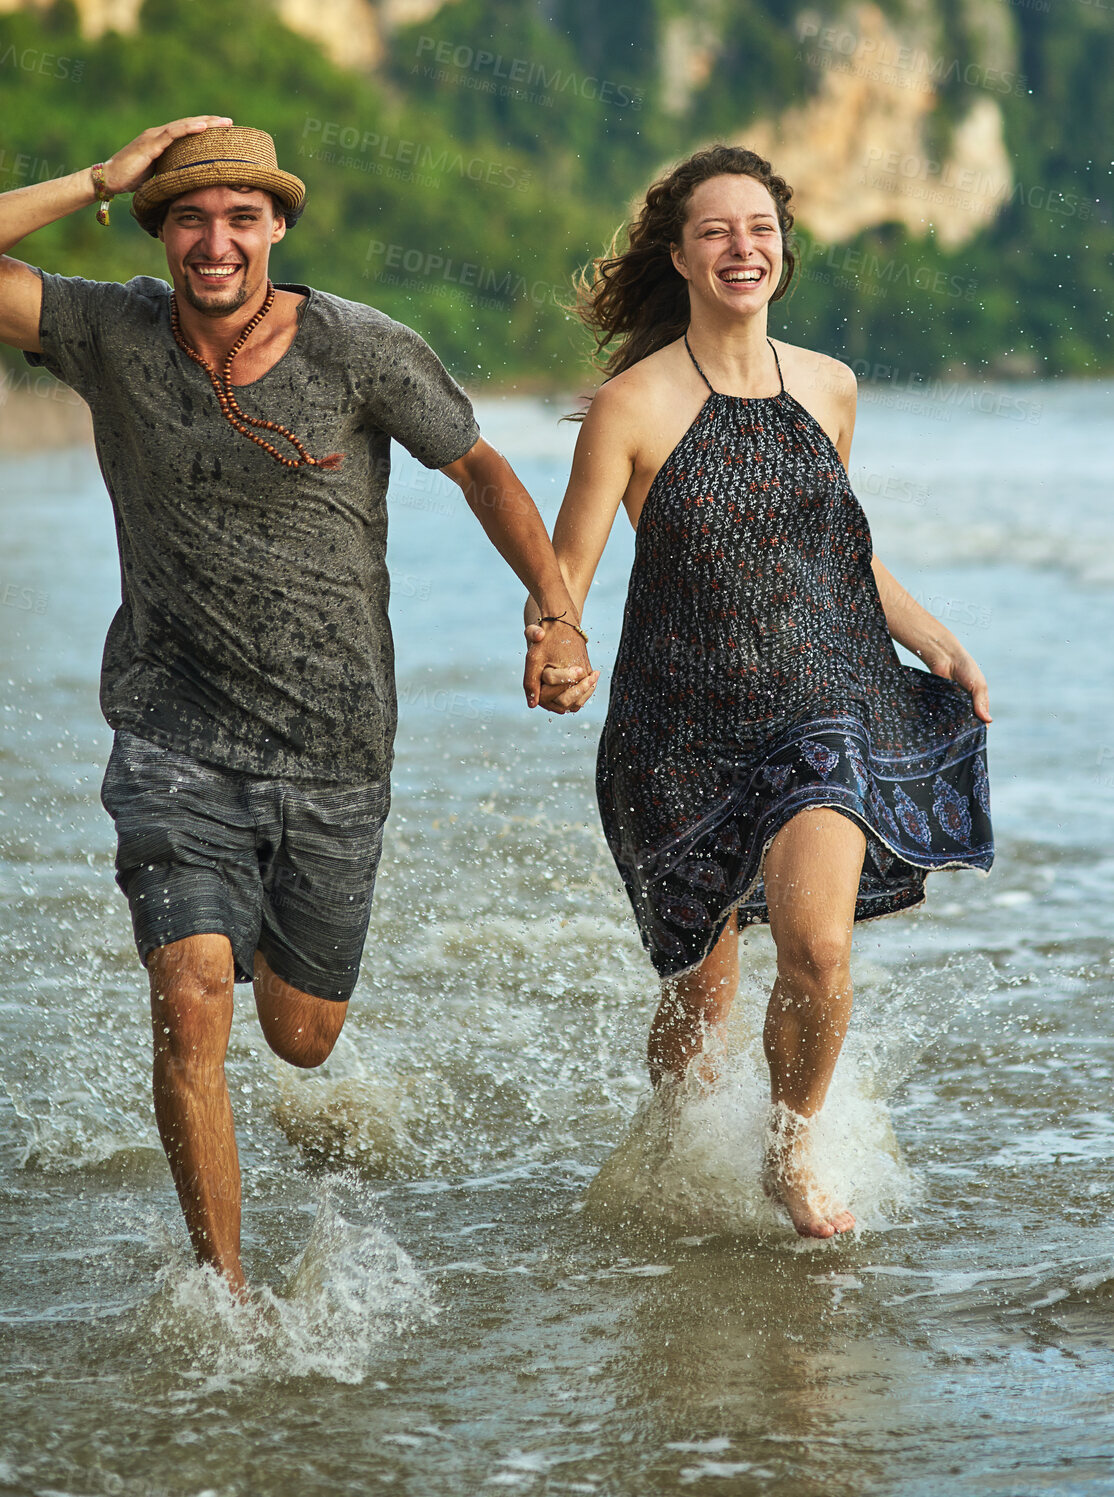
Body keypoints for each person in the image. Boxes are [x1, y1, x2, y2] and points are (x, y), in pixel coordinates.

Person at [0, 117, 589, 1292]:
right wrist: (99, 179)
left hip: (334, 742)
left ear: (275, 227)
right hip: (170, 731)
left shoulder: (360, 349)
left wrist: (556, 610)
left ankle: (251, 926)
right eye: (188, 217)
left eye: (239, 218)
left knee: (301, 1037)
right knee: (190, 995)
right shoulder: (107, 330)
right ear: (162, 231)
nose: (214, 240)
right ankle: (226, 1290)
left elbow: (479, 466)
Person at [527, 144, 994, 1239]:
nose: (743, 247)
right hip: (677, 724)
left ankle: (792, 1145)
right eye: (716, 231)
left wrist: (936, 641)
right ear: (681, 256)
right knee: (702, 996)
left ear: (781, 249)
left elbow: (837, 548)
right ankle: (675, 1142)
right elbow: (567, 575)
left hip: (823, 701)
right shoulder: (630, 407)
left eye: (760, 228)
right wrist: (555, 644)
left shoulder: (827, 385)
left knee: (818, 948)